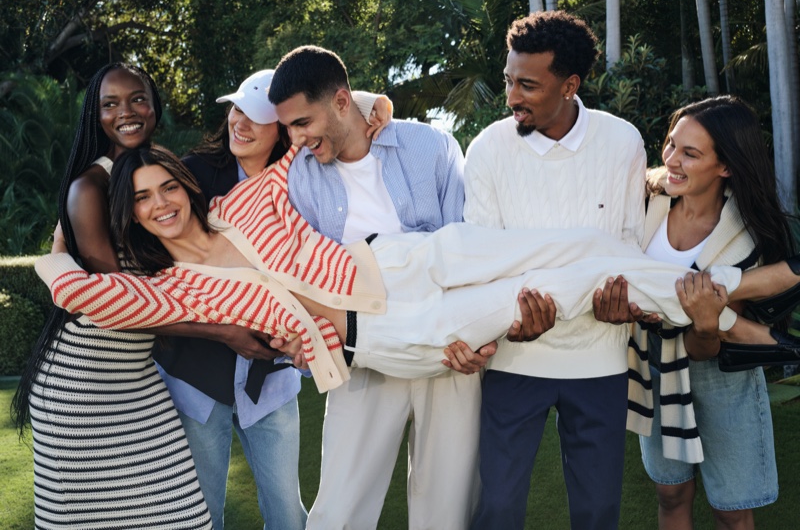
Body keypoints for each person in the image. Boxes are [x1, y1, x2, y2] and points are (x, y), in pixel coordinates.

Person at [34, 144, 800, 391]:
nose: (162, 202)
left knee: (571, 243)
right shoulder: (163, 289)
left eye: (168, 185)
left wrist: (375, 103)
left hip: (401, 260)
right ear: (131, 215)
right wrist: (78, 206)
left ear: (186, 184)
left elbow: (318, 124)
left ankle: (734, 307)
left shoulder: (245, 200)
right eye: (143, 199)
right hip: (388, 331)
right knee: (563, 287)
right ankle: (742, 299)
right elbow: (75, 290)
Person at [152, 68, 392, 530]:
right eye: (236, 109)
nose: (239, 122)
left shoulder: (305, 176)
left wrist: (375, 104)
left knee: (286, 512)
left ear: (283, 126)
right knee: (203, 513)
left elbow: (331, 104)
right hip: (199, 376)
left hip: (274, 377)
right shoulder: (193, 175)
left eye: (256, 116)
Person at [267, 45, 484, 530]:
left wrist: (474, 335)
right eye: (288, 128)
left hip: (446, 347)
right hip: (361, 349)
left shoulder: (431, 146)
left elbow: (468, 249)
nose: (296, 139)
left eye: (303, 123)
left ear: (343, 101)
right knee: (338, 512)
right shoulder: (299, 177)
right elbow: (303, 272)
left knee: (447, 510)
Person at [464, 10, 649, 530]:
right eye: (508, 81)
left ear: (570, 85)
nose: (511, 97)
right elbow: (480, 259)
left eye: (527, 85)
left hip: (600, 360)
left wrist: (625, 306)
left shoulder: (623, 142)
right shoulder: (486, 150)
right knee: (498, 509)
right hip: (514, 359)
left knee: (597, 512)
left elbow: (630, 246)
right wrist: (512, 319)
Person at [11, 63, 214, 529]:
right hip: (79, 387)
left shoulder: (149, 174)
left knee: (182, 516)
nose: (127, 112)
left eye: (138, 99)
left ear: (155, 105)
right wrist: (221, 331)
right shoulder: (90, 187)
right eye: (110, 104)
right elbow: (119, 303)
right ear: (94, 115)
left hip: (136, 380)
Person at [630, 96, 792, 529]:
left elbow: (707, 345)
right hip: (655, 367)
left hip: (722, 375)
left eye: (690, 153)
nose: (672, 159)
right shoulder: (645, 202)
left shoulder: (745, 238)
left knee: (732, 510)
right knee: (670, 493)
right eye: (670, 144)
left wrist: (705, 322)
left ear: (726, 167)